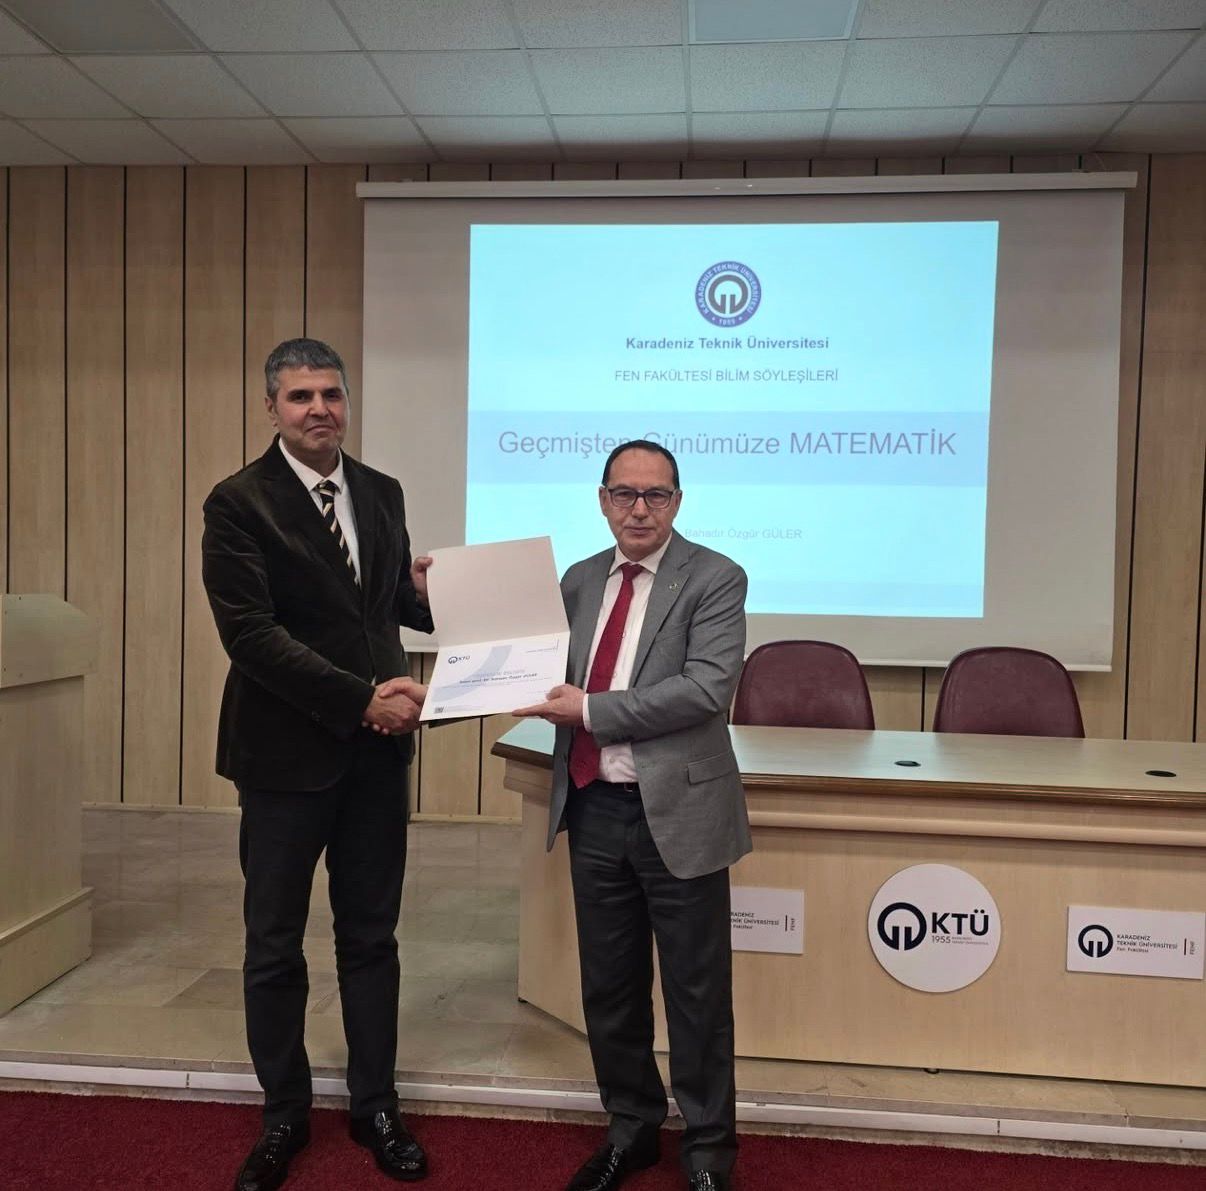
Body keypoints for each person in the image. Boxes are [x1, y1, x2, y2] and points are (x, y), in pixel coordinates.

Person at [202, 338, 432, 1191]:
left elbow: (385, 608)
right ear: (271, 407)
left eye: (331, 393)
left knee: (372, 938)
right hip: (283, 756)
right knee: (274, 944)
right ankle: (284, 1115)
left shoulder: (381, 491)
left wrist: (433, 592)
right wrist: (361, 699)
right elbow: (251, 636)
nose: (319, 409)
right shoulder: (238, 502)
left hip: (376, 759)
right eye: (300, 396)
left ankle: (376, 1106)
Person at [518, 440, 750, 1191]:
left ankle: (707, 1149)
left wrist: (590, 709)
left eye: (656, 495)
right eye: (625, 493)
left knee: (696, 992)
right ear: (603, 500)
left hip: (678, 813)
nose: (639, 509)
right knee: (610, 987)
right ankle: (632, 1128)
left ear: (677, 502)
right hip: (594, 808)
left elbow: (705, 688)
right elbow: (535, 668)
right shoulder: (580, 579)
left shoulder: (715, 577)